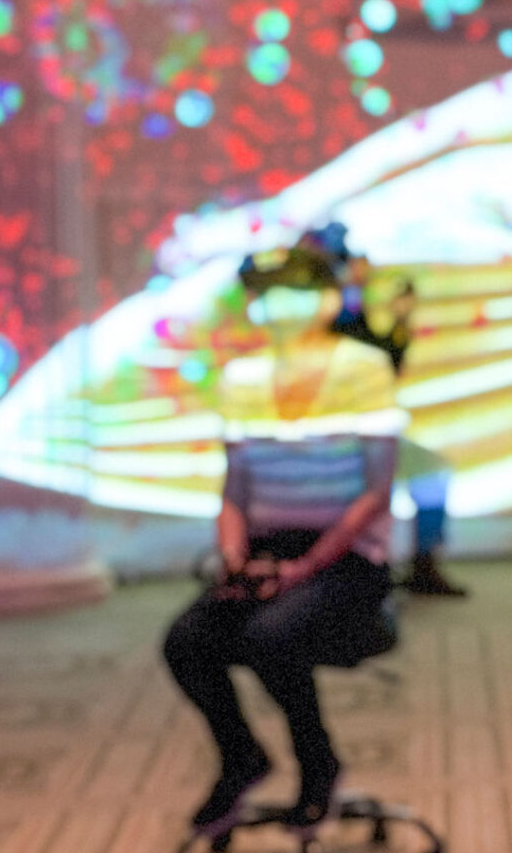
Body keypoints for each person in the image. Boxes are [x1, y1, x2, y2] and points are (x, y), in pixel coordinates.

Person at [162, 246, 406, 837]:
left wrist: (308, 565)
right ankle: (240, 757)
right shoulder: (241, 379)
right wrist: (233, 555)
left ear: (328, 300)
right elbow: (235, 489)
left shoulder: (364, 368)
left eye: (296, 293)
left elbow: (376, 491)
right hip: (268, 549)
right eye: (268, 296)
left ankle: (318, 766)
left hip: (347, 558)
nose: (281, 307)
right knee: (186, 642)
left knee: (272, 637)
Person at [312, 227, 469, 597]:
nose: (362, 269)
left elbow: (382, 366)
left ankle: (423, 564)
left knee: (431, 472)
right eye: (352, 263)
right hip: (328, 439)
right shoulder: (326, 310)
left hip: (365, 436)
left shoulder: (352, 308)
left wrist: (400, 320)